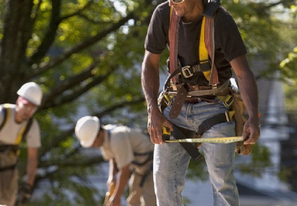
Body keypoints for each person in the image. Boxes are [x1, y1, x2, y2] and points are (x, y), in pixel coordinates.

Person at [141, 0, 260, 205]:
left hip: (215, 106)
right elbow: (149, 63)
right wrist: (153, 110)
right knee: (163, 179)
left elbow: (243, 72)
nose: (171, 2)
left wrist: (253, 118)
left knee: (221, 179)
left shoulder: (220, 21)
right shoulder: (164, 14)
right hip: (175, 106)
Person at [75, 116, 156, 206]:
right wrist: (112, 177)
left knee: (149, 202)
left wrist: (116, 197)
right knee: (133, 202)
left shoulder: (117, 138)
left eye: (92, 142)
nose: (93, 146)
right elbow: (113, 158)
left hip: (153, 165)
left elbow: (125, 171)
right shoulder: (104, 139)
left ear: (99, 134)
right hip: (139, 169)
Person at [0, 82, 43, 206]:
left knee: (9, 198)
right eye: (26, 106)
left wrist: (28, 185)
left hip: (8, 158)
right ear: (18, 102)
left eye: (32, 108)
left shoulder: (31, 126)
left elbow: (32, 158)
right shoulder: (0, 114)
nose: (28, 111)